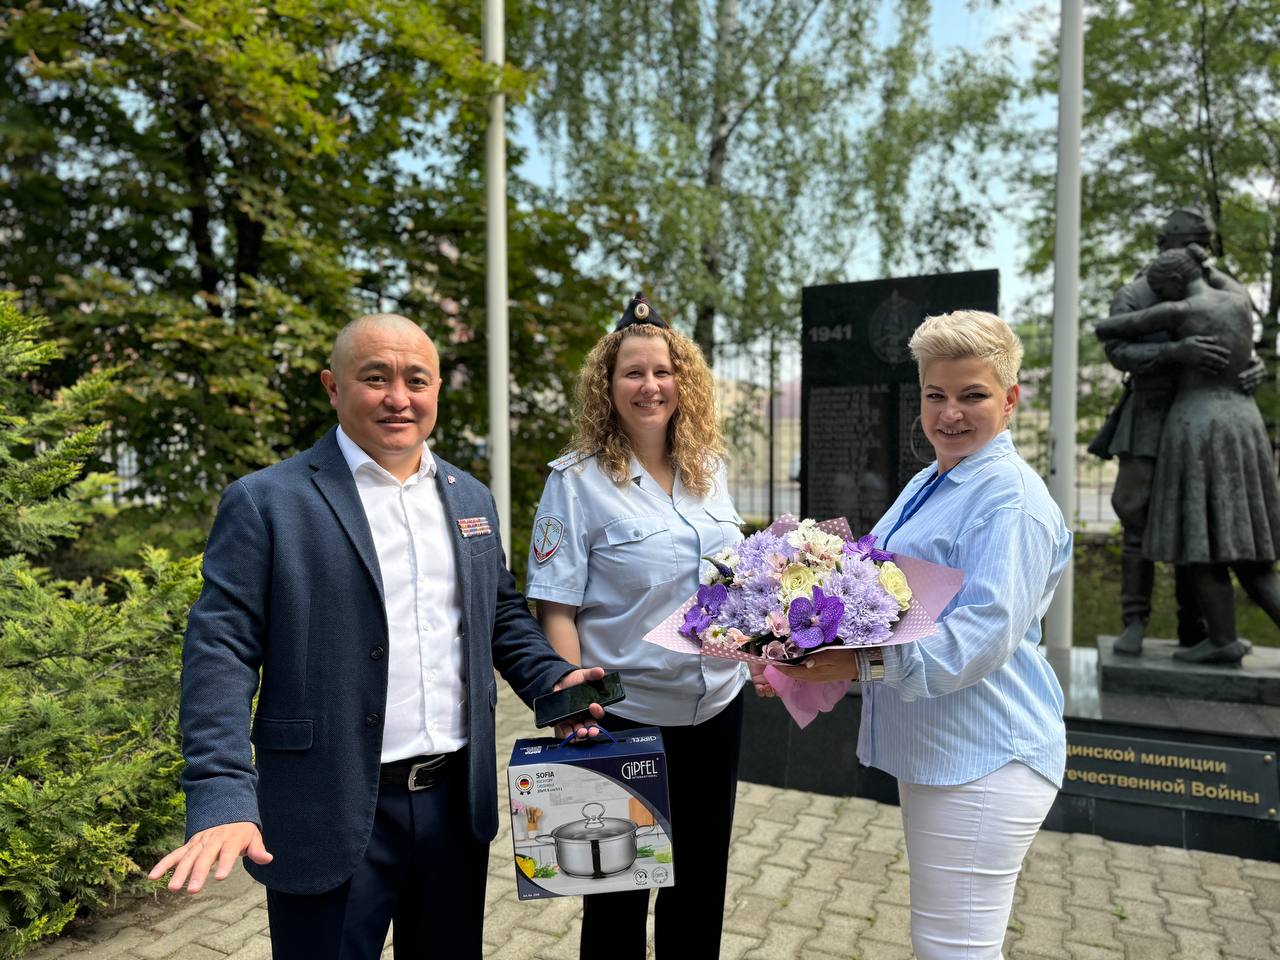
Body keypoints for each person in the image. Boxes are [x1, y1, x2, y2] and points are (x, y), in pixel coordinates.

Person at [148, 313, 605, 960]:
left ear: (437, 389)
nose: (399, 397)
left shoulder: (470, 498)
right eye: (375, 378)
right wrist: (222, 794)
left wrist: (554, 681)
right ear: (333, 388)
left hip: (455, 808)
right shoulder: (267, 502)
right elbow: (219, 652)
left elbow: (499, 614)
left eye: (416, 380)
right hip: (324, 807)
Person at [780, 310, 1071, 960]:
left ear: (1010, 399)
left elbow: (980, 637)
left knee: (953, 949)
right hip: (946, 749)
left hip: (986, 754)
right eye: (936, 395)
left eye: (973, 395)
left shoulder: (1011, 502)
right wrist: (787, 649)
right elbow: (869, 587)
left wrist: (856, 665)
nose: (950, 413)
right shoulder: (934, 478)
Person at [526, 293, 760, 960]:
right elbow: (557, 607)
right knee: (616, 899)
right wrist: (575, 712)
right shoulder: (575, 482)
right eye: (633, 372)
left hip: (716, 709)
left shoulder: (709, 471)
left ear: (683, 382)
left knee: (699, 891)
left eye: (663, 371)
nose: (650, 385)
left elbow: (735, 582)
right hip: (625, 717)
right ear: (609, 385)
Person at [1089, 206, 1264, 655]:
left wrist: (1253, 368)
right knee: (1134, 513)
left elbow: (1238, 341)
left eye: (1204, 243)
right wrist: (1174, 353)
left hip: (1204, 420)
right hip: (1149, 416)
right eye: (1189, 241)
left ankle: (1199, 627)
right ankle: (1134, 621)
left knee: (1197, 519)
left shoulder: (1218, 289)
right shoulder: (1137, 292)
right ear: (1164, 242)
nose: (1199, 251)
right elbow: (1117, 349)